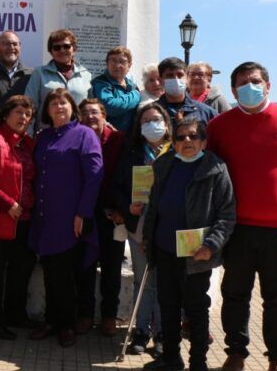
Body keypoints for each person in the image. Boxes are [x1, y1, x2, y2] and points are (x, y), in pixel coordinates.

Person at [207, 62, 277, 371]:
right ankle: (236, 353)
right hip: (237, 227)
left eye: (255, 81)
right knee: (235, 295)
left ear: (268, 85)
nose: (249, 86)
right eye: (242, 82)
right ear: (232, 90)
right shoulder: (220, 126)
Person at [142, 117, 235, 371]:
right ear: (173, 143)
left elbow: (226, 215)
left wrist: (211, 245)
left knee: (196, 308)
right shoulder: (163, 165)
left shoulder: (215, 169)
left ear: (203, 141)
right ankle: (172, 358)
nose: (187, 141)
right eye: (181, 137)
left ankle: (198, 362)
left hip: (197, 253)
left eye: (193, 136)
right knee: (168, 306)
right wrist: (148, 240)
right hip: (164, 249)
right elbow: (153, 207)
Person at [28, 88, 103, 347]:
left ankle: (66, 324)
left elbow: (94, 176)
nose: (59, 107)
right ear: (47, 111)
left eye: (64, 102)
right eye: (53, 103)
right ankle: (51, 320)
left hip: (70, 216)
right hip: (44, 216)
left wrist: (82, 212)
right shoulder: (44, 136)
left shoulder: (85, 135)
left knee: (66, 273)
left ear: (72, 107)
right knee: (50, 270)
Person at [113, 102, 172, 356]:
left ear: (166, 123)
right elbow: (115, 187)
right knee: (142, 280)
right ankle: (141, 330)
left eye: (156, 119)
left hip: (168, 227)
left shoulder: (176, 151)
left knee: (164, 282)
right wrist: (128, 207)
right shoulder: (131, 152)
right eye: (146, 121)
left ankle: (162, 333)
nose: (151, 124)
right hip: (138, 227)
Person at [0, 95, 36, 340]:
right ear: (5, 114)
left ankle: (16, 314)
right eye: (19, 112)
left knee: (21, 270)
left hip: (25, 218)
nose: (23, 118)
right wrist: (6, 203)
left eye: (28, 114)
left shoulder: (29, 144)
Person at [76, 99, 126, 336]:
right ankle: (85, 314)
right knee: (84, 265)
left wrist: (121, 208)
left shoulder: (119, 140)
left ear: (105, 116)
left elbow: (126, 177)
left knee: (112, 267)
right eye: (84, 113)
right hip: (85, 212)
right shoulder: (77, 139)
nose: (89, 117)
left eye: (94, 112)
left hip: (113, 214)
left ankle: (109, 316)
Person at [25, 29, 92, 131]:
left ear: (74, 49)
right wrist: (28, 135)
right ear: (51, 52)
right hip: (48, 134)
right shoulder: (39, 73)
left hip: (78, 133)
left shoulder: (86, 75)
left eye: (66, 46)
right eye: (57, 47)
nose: (62, 50)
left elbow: (92, 107)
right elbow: (29, 106)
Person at [91, 46, 141, 132]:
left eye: (122, 61)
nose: (117, 65)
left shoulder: (133, 86)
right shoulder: (100, 83)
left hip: (130, 140)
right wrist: (136, 95)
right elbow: (110, 107)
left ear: (129, 65)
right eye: (113, 60)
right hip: (109, 139)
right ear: (107, 63)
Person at [155, 58, 216, 125]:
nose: (176, 79)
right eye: (170, 75)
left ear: (187, 78)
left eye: (180, 75)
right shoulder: (150, 112)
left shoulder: (206, 112)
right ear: (160, 80)